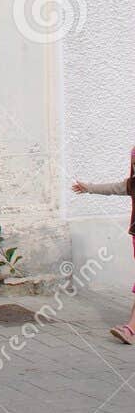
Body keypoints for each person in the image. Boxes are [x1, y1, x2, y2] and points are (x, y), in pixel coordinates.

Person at [72, 147, 135, 344]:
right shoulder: (132, 184)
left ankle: (131, 329)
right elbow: (112, 189)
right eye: (134, 162)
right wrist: (88, 188)